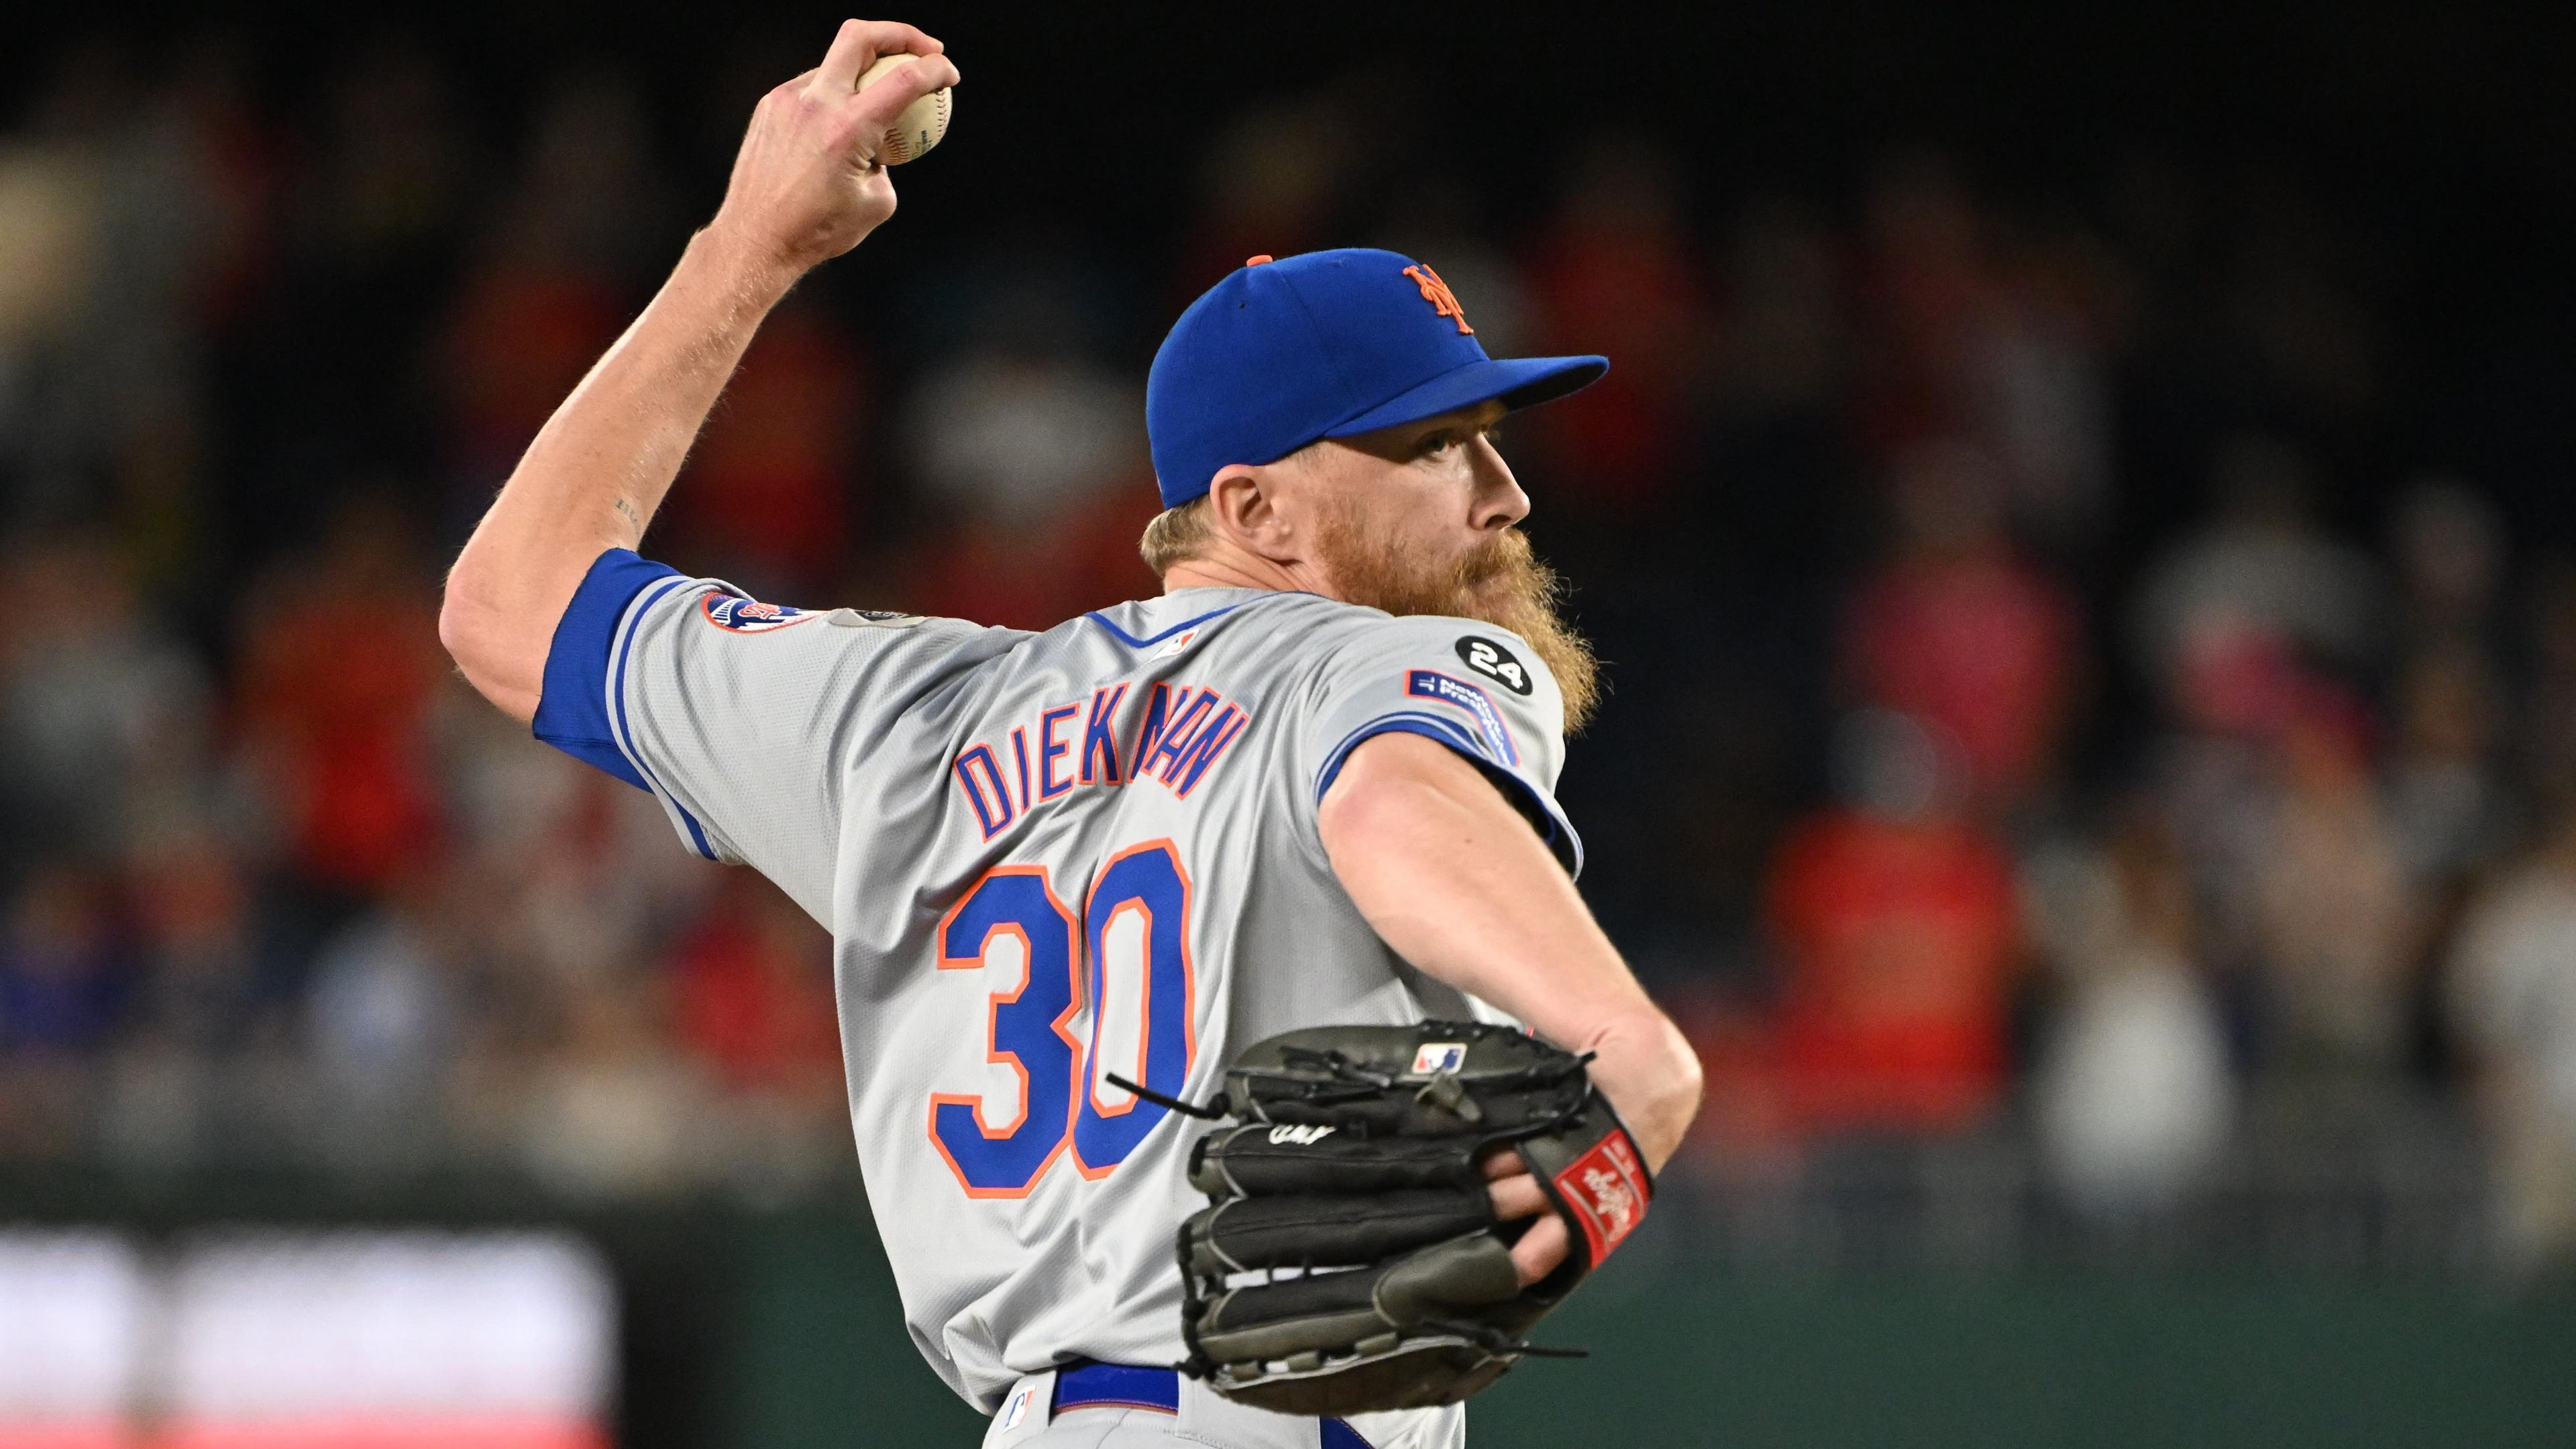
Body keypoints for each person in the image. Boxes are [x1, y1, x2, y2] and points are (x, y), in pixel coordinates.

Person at [438, 20, 1702, 1449]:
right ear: (1255, 514)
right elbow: (1390, 800)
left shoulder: (903, 710)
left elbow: (511, 605)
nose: (1504, 494)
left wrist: (748, 246)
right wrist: (1626, 1047)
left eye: (1492, 436)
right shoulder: (1391, 661)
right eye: (1431, 449)